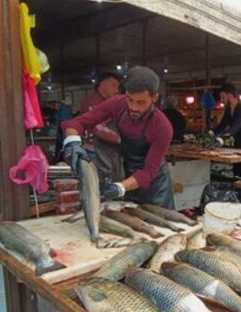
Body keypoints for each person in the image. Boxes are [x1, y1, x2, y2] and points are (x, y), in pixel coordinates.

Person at [62, 66, 175, 209]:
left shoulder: (162, 127)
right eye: (130, 99)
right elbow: (77, 122)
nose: (133, 107)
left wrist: (120, 187)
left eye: (140, 102)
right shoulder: (118, 103)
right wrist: (72, 142)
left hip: (155, 186)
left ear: (154, 98)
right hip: (130, 176)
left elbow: (148, 172)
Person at [79, 73, 123, 184]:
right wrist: (121, 140)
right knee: (100, 185)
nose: (116, 90)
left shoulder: (109, 103)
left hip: (108, 152)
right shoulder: (92, 102)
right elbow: (98, 129)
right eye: (114, 85)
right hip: (95, 152)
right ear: (102, 84)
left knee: (112, 183)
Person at [214, 83, 241, 178]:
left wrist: (221, 139)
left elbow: (234, 128)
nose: (222, 100)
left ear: (230, 96)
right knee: (236, 172)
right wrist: (211, 133)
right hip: (236, 146)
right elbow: (222, 125)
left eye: (223, 97)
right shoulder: (229, 110)